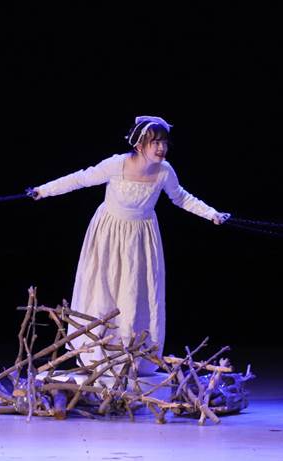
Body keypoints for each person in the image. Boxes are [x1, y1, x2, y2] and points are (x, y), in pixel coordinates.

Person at [29, 115, 230, 375]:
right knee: (102, 290)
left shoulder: (164, 171)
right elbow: (80, 178)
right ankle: (97, 355)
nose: (161, 148)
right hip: (108, 235)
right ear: (139, 144)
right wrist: (43, 190)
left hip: (141, 240)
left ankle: (131, 357)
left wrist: (212, 214)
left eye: (164, 143)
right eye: (155, 142)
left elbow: (180, 197)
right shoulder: (117, 164)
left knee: (134, 294)